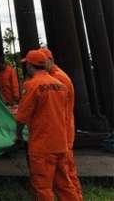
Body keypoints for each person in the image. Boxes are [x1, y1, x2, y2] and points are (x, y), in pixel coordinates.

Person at [15, 49, 77, 201]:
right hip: (61, 143)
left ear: (30, 66)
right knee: (64, 185)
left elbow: (22, 117)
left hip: (42, 146)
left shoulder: (32, 85)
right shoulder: (60, 84)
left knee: (42, 187)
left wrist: (17, 135)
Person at [40, 48, 83, 200]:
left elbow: (53, 106)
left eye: (41, 63)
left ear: (50, 61)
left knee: (66, 174)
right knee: (66, 173)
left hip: (63, 132)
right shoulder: (55, 76)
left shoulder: (58, 79)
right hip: (62, 131)